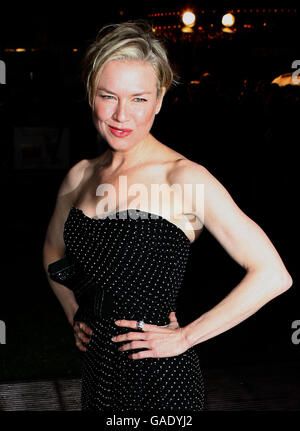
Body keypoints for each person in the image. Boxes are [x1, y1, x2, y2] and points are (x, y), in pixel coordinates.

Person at [42, 20, 293, 412]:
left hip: (161, 381)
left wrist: (186, 337)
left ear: (159, 99)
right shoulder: (81, 175)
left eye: (139, 99)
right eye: (108, 96)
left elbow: (273, 275)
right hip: (97, 375)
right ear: (91, 94)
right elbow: (53, 253)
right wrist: (75, 312)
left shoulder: (183, 177)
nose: (121, 115)